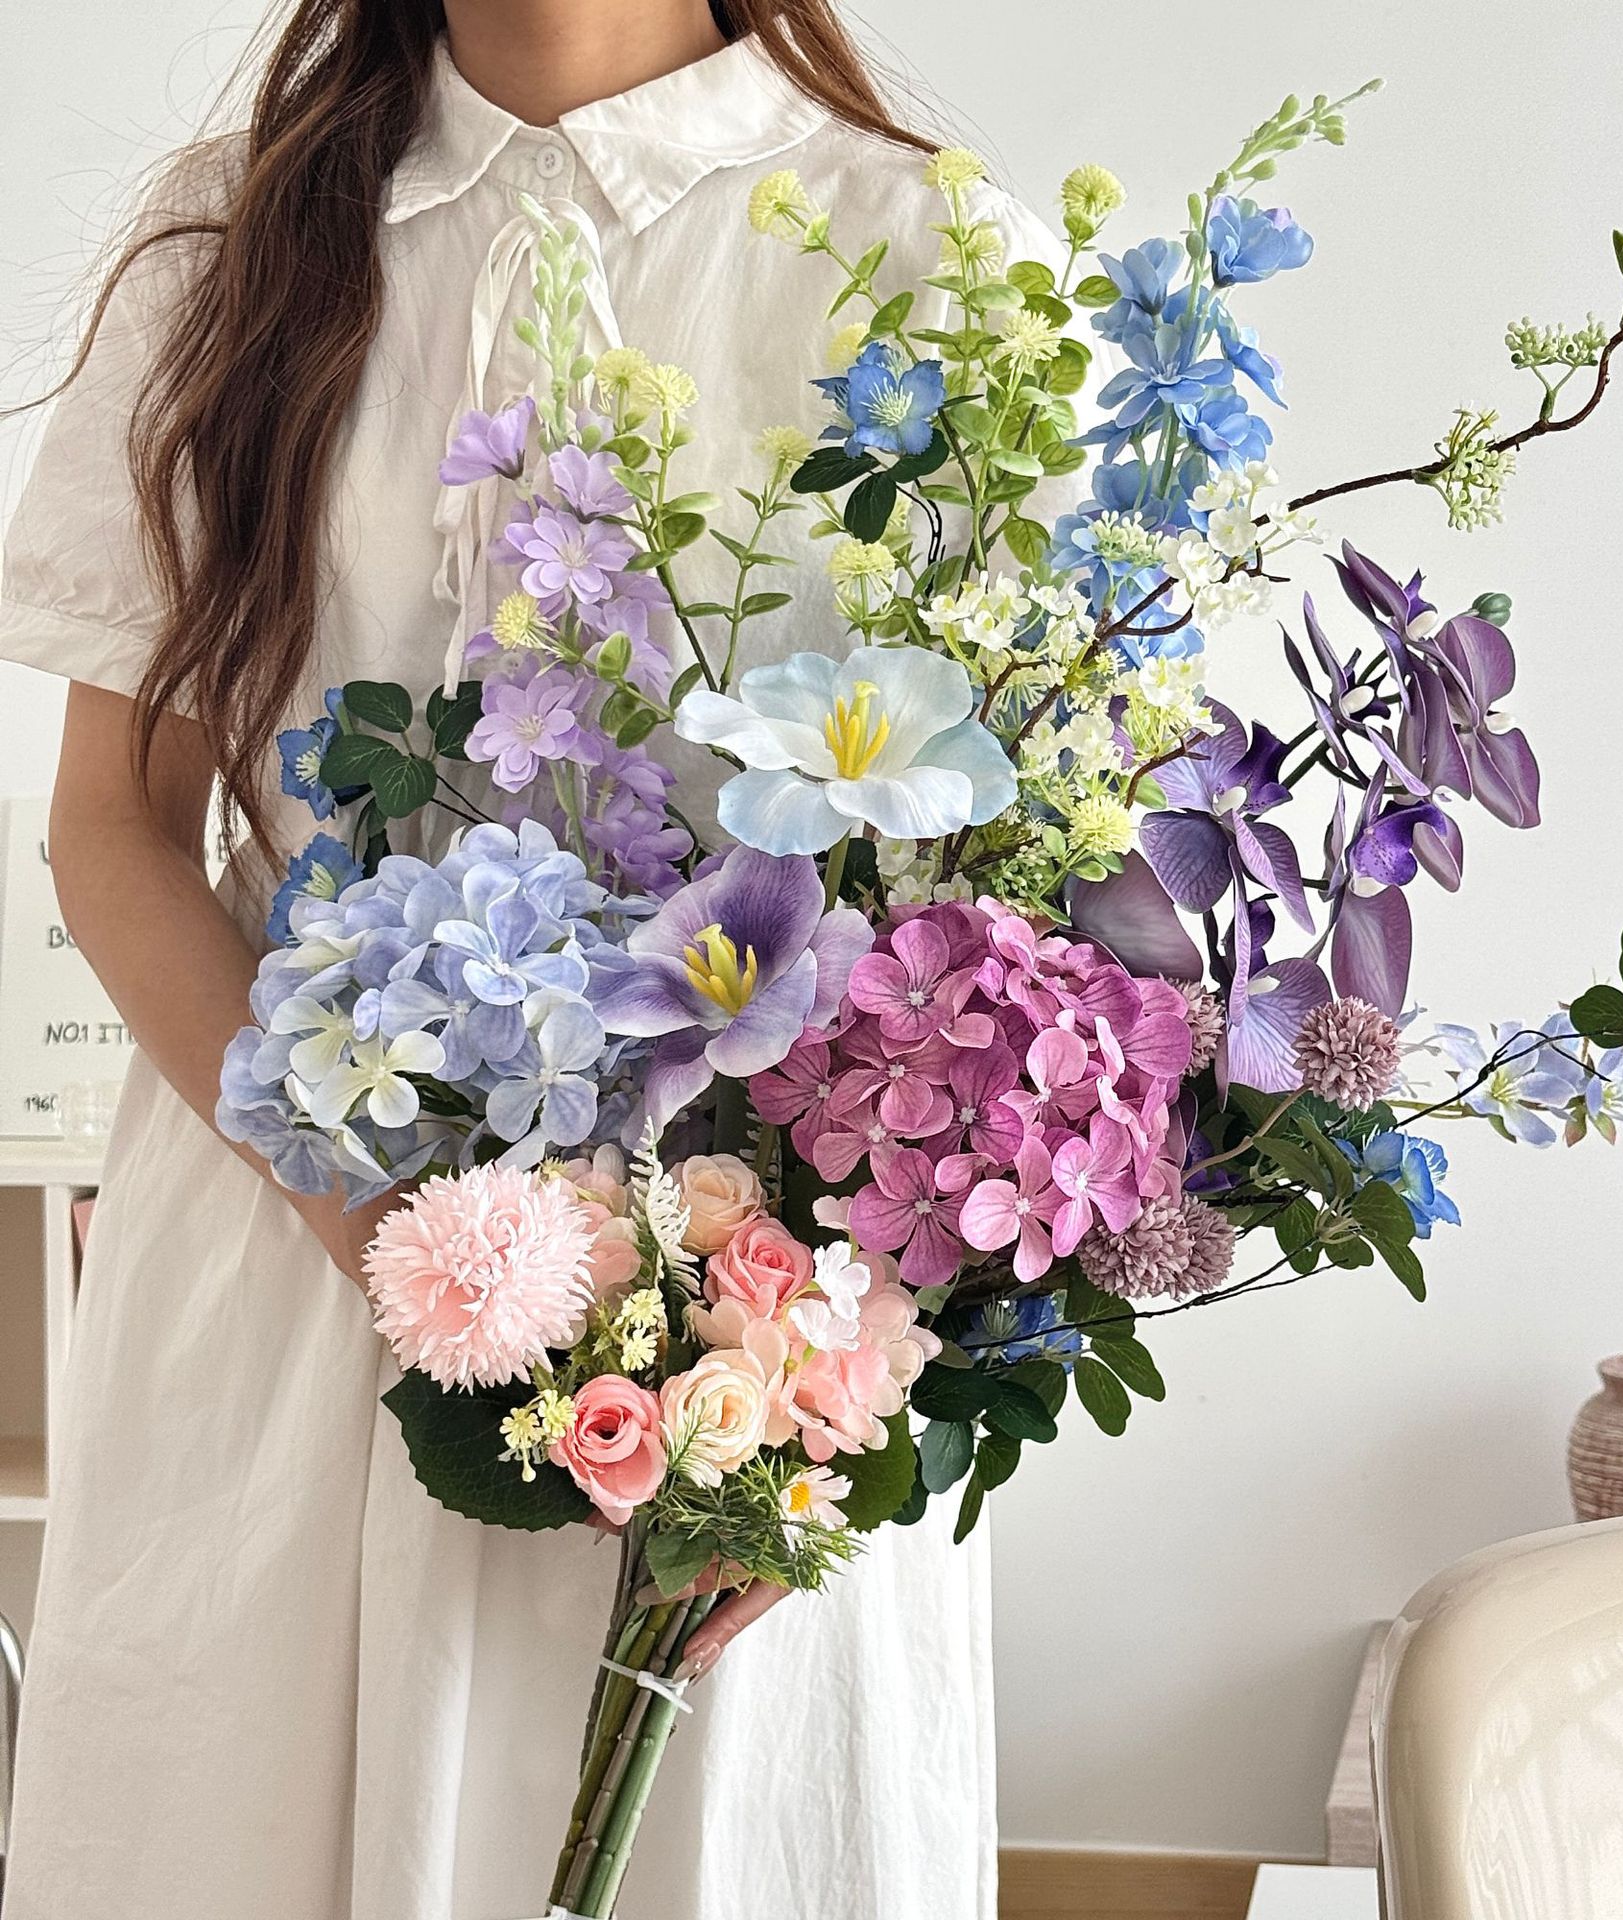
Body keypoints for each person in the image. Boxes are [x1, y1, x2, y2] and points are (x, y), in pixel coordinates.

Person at [0, 3, 1051, 1913]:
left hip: (755, 1337)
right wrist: (399, 1235)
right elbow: (117, 829)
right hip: (292, 1281)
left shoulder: (932, 260)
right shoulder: (227, 248)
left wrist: (803, 1383)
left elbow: (1008, 926)